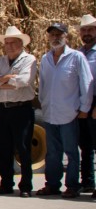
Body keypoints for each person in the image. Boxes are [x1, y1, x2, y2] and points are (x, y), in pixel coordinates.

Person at [37, 22, 92, 198]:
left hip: (69, 113)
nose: (55, 37)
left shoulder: (76, 57)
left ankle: (72, 186)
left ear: (66, 36)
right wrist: (44, 104)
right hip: (50, 113)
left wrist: (84, 108)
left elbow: (87, 84)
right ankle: (52, 184)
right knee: (52, 152)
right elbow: (43, 86)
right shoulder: (45, 59)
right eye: (52, 35)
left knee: (71, 152)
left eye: (59, 35)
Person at [0, 26, 37, 197]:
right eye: (6, 43)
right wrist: (8, 79)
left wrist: (2, 81)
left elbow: (24, 81)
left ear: (21, 43)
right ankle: (6, 183)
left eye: (13, 43)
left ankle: (26, 185)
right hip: (4, 109)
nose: (9, 46)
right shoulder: (1, 61)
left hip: (21, 109)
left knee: (23, 148)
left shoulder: (29, 60)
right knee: (3, 147)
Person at [76, 14, 96, 194]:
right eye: (84, 30)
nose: (86, 33)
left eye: (90, 29)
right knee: (85, 144)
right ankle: (88, 181)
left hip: (95, 101)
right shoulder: (78, 53)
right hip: (82, 101)